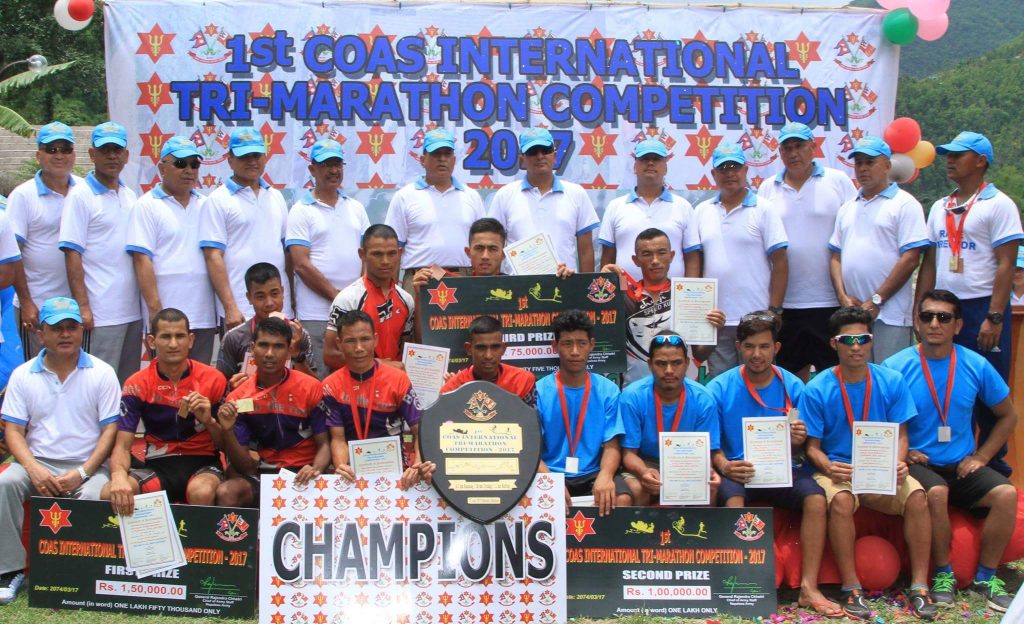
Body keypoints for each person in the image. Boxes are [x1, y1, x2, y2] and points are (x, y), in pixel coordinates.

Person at [883, 290, 1018, 613]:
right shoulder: (895, 367)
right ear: (917, 322)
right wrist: (903, 452)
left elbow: (1008, 416)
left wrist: (982, 457)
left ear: (958, 326)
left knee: (1007, 495)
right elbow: (878, 422)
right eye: (927, 316)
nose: (934, 323)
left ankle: (986, 576)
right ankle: (943, 574)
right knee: (937, 492)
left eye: (943, 317)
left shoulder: (976, 364)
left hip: (962, 465)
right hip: (918, 463)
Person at [801, 307, 936, 621]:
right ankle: (852, 588)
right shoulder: (817, 388)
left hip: (881, 470)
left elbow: (902, 434)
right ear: (834, 343)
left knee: (917, 496)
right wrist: (827, 467)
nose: (856, 346)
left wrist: (899, 463)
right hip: (840, 471)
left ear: (871, 340)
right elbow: (812, 449)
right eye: (847, 340)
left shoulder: (892, 380)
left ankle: (919, 586)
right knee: (841, 500)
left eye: (863, 339)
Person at [706, 312, 838, 618]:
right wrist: (725, 466)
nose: (757, 354)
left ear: (776, 348)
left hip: (781, 469)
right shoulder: (719, 387)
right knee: (734, 499)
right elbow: (712, 445)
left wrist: (798, 440)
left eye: (764, 346)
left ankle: (809, 587)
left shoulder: (793, 386)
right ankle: (738, 584)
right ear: (738, 347)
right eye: (749, 346)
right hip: (738, 470)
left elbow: (801, 444)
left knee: (816, 499)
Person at [916, 131, 1023, 477]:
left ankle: (991, 466)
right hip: (943, 310)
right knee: (947, 387)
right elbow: (929, 263)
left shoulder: (999, 204)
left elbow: (1006, 264)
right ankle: (945, 461)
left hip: (981, 308)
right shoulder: (940, 206)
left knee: (989, 389)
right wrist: (921, 311)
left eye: (958, 155)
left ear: (980, 161)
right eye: (947, 154)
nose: (949, 160)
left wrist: (994, 316)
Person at [0, 297, 120, 604]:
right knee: (4, 483)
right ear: (40, 335)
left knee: (93, 495)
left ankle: (80, 572)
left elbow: (110, 431)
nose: (65, 334)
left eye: (71, 327)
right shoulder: (23, 374)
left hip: (88, 463)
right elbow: (13, 431)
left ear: (81, 331)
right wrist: (33, 468)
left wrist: (83, 472)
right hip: (37, 460)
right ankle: (9, 571)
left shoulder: (103, 372)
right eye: (56, 328)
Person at [103, 308, 228, 515]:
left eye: (179, 336)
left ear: (190, 340)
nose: (173, 344)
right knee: (110, 493)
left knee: (201, 492)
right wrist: (118, 477)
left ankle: (198, 539)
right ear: (152, 342)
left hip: (203, 464)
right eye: (165, 337)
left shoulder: (214, 379)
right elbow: (123, 445)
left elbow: (226, 445)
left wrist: (209, 421)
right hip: (157, 466)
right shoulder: (137, 383)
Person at [757, 122, 857, 380]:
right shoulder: (768, 188)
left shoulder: (838, 181)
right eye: (787, 148)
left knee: (834, 377)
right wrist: (774, 306)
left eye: (799, 146)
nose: (793, 153)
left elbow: (853, 233)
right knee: (790, 378)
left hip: (829, 300)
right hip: (787, 303)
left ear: (813, 147)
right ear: (780, 152)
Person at [829, 136, 929, 363]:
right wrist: (842, 296)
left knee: (890, 376)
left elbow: (911, 258)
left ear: (887, 165)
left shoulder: (905, 204)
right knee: (857, 377)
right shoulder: (847, 207)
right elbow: (836, 257)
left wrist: (877, 300)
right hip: (853, 315)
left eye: (870, 162)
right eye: (859, 163)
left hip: (890, 315)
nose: (863, 168)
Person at [692, 144, 788, 378]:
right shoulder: (702, 211)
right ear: (713, 174)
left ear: (745, 170)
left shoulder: (764, 209)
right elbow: (696, 263)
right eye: (723, 169)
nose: (729, 174)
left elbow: (780, 262)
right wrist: (696, 311)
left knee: (759, 382)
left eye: (735, 167)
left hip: (756, 319)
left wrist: (774, 309)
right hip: (716, 319)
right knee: (722, 385)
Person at [214, 317, 329, 507]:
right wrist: (227, 431)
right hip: (266, 473)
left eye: (278, 346)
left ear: (289, 350)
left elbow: (325, 444)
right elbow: (245, 467)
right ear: (253, 348)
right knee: (227, 492)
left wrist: (316, 469)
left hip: (307, 471)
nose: (269, 353)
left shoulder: (311, 387)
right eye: (263, 345)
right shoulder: (238, 398)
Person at [58, 121, 141, 384]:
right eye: (105, 150)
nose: (112, 156)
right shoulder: (80, 196)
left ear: (126, 155)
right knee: (97, 384)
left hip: (132, 311)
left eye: (117, 150)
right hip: (101, 312)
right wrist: (83, 306)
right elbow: (72, 252)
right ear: (92, 154)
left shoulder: (130, 195)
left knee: (127, 386)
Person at [127, 136, 218, 364]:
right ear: (162, 168)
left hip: (203, 315)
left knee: (200, 377)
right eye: (180, 163)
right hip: (166, 319)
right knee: (165, 379)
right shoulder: (146, 205)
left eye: (194, 164)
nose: (188, 170)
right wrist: (155, 311)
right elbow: (141, 260)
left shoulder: (207, 205)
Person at [535, 310, 631, 515]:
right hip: (551, 472)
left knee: (622, 498)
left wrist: (606, 475)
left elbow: (612, 445)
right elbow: (531, 451)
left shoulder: (608, 390)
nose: (575, 351)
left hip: (592, 473)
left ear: (592, 345)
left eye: (581, 343)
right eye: (567, 344)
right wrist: (550, 482)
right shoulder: (539, 391)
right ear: (555, 346)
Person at [286, 139, 369, 377]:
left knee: (355, 379)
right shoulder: (301, 210)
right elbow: (301, 264)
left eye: (337, 164)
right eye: (326, 165)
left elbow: (366, 256)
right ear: (312, 169)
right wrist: (338, 298)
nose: (333, 170)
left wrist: (358, 299)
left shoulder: (356, 208)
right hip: (316, 315)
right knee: (317, 381)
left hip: (353, 314)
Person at [601, 227, 723, 385]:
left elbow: (700, 355)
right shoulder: (625, 297)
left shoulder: (688, 295)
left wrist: (714, 331)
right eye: (647, 254)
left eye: (661, 253)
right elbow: (600, 333)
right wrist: (602, 280)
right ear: (635, 260)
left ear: (672, 256)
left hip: (678, 390)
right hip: (634, 390)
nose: (655, 260)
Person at [321, 310, 424, 488]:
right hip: (352, 474)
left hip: (395, 471)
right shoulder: (331, 385)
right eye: (350, 341)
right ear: (339, 344)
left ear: (375, 339)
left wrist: (417, 464)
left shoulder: (398, 380)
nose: (359, 348)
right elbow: (337, 438)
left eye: (365, 339)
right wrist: (341, 466)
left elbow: (419, 430)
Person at [200, 127, 289, 329]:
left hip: (278, 309)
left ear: (265, 157)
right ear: (230, 159)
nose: (252, 161)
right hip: (240, 311)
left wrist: (290, 301)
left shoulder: (275, 196)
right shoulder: (218, 199)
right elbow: (213, 256)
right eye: (244, 156)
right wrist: (230, 306)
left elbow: (286, 253)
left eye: (256, 155)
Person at [620, 331, 720, 506]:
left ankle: (696, 525)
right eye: (661, 363)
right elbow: (629, 454)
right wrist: (644, 472)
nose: (669, 370)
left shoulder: (703, 399)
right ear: (650, 364)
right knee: (636, 489)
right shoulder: (632, 397)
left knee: (708, 489)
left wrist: (707, 471)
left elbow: (706, 453)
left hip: (687, 465)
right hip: (646, 462)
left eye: (676, 363)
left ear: (687, 363)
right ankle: (641, 525)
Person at [7, 121, 81, 358]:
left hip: (76, 307)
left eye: (65, 149)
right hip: (38, 306)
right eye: (51, 149)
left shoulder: (84, 190)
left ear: (74, 155)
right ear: (39, 156)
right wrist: (27, 302)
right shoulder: (23, 195)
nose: (59, 155)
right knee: (38, 370)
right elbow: (12, 254)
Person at [386, 128, 485, 292]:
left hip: (463, 279)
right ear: (422, 160)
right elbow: (393, 250)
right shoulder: (404, 197)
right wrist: (391, 294)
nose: (442, 159)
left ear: (454, 159)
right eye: (436, 154)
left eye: (447, 154)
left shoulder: (471, 196)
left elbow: (483, 244)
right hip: (420, 279)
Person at [490, 128, 599, 273]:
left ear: (555, 156)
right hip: (517, 284)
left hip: (565, 281)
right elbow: (493, 246)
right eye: (533, 151)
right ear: (522, 160)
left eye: (545, 150)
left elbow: (585, 250)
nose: (540, 156)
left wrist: (586, 287)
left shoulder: (576, 193)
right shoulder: (504, 195)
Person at [598, 139, 699, 281]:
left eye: (656, 159)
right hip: (626, 293)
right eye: (645, 159)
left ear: (665, 167)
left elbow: (692, 257)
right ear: (635, 166)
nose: (650, 163)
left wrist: (689, 292)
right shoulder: (615, 206)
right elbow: (608, 258)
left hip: (673, 293)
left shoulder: (683, 207)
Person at [323, 224, 413, 371]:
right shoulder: (347, 299)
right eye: (377, 254)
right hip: (358, 383)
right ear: (362, 254)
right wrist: (379, 365)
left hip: (395, 382)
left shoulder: (406, 299)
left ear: (399, 253)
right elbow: (330, 355)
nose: (385, 261)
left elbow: (407, 350)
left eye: (391, 253)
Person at [216, 262, 315, 387]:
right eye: (260, 296)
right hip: (247, 399)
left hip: (290, 399)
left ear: (283, 292)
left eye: (274, 294)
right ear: (249, 298)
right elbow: (219, 388)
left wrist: (297, 355)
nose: (269, 303)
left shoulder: (298, 335)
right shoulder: (234, 338)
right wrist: (231, 389)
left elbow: (314, 387)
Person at [439, 315, 536, 407]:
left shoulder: (522, 381)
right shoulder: (452, 390)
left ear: (503, 348)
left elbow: (530, 418)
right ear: (469, 349)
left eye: (495, 347)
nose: (488, 356)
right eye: (481, 348)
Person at [410, 217, 507, 290]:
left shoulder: (515, 288)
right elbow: (433, 270)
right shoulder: (455, 283)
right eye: (479, 248)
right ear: (468, 252)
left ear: (503, 254)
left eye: (493, 249)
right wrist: (420, 294)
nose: (485, 256)